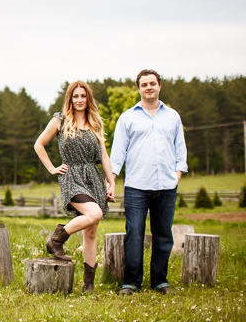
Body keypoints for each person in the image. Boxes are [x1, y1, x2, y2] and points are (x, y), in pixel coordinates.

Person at [34, 81, 116, 294]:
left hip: (94, 178)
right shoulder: (59, 120)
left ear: (88, 98)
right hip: (72, 177)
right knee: (95, 213)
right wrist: (52, 168)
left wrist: (111, 182)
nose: (79, 100)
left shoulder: (95, 122)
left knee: (91, 232)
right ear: (69, 99)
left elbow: (104, 156)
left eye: (83, 96)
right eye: (75, 96)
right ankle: (56, 239)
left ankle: (88, 284)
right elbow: (39, 144)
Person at [111, 69, 187, 295]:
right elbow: (118, 154)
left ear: (159, 86)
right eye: (144, 84)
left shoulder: (173, 116)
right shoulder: (127, 118)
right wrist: (112, 179)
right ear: (138, 88)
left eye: (152, 83)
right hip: (136, 186)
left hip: (166, 186)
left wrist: (177, 176)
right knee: (134, 232)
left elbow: (180, 150)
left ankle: (160, 281)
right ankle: (131, 282)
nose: (149, 87)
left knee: (163, 234)